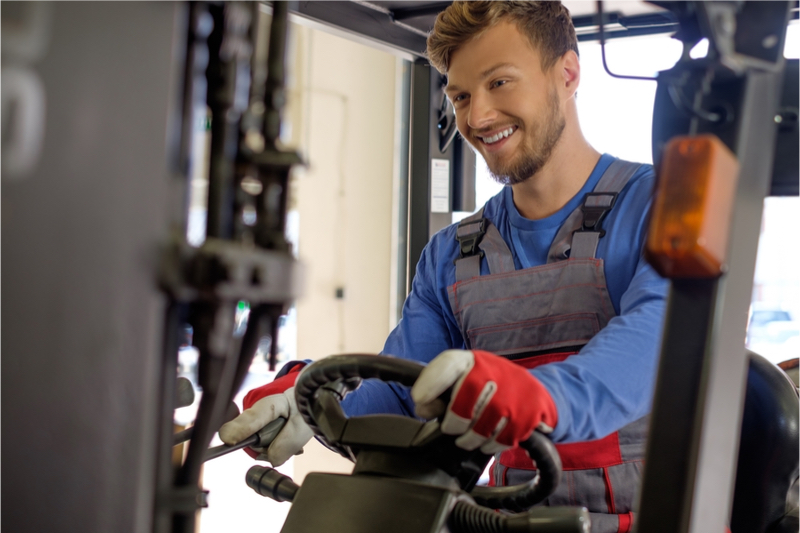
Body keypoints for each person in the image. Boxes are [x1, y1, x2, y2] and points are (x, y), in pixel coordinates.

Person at [220, 2, 668, 531]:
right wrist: (311, 401)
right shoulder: (453, 254)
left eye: (500, 82)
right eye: (460, 96)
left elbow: (650, 353)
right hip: (514, 522)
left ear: (567, 74)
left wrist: (538, 396)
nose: (477, 118)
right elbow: (402, 399)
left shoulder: (662, 209)